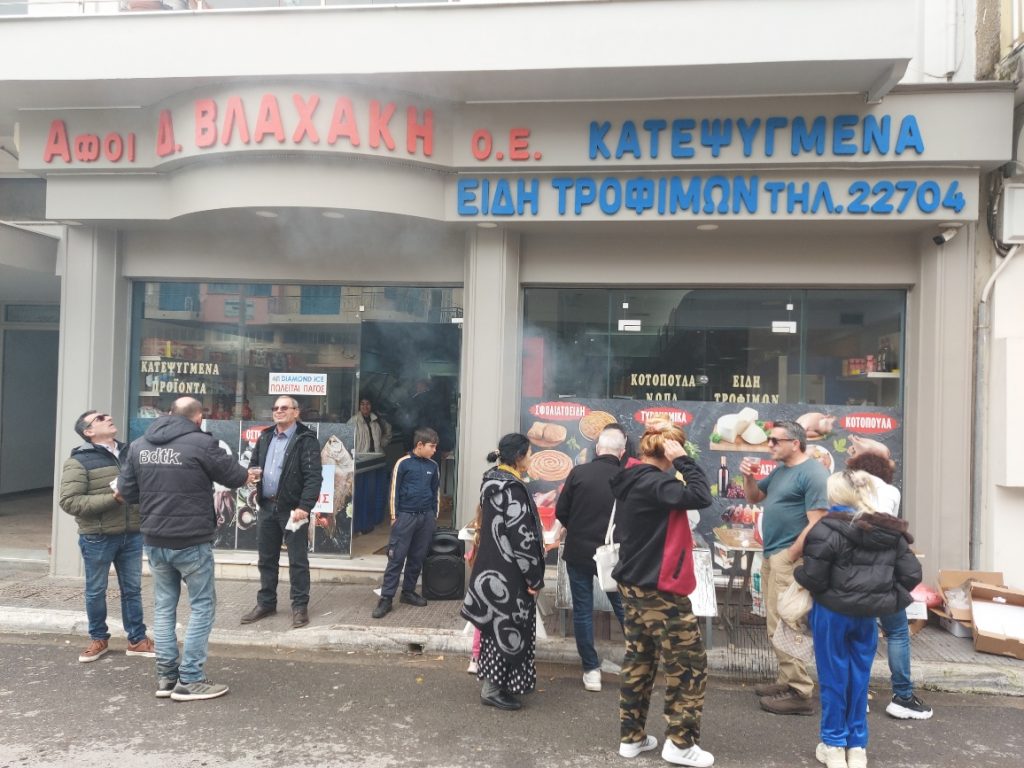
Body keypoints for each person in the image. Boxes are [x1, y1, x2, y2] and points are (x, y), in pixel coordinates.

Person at [118, 396, 254, 701]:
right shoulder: (200, 443)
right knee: (202, 606)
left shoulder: (139, 445)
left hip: (154, 539)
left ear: (169, 413)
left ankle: (167, 677)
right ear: (198, 418)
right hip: (191, 539)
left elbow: (127, 492)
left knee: (164, 607)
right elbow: (234, 476)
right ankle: (190, 679)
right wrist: (247, 475)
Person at [794, 470, 922, 768]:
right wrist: (886, 598)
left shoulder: (825, 528)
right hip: (866, 617)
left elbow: (813, 578)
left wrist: (799, 573)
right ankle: (857, 748)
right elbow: (912, 574)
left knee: (833, 679)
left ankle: (834, 745)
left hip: (831, 614)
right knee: (859, 680)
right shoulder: (888, 530)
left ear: (834, 494)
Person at [609, 420, 715, 767]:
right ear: (669, 451)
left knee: (640, 658)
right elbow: (701, 495)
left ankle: (631, 738)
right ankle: (680, 744)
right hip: (659, 588)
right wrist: (683, 459)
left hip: (634, 582)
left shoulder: (633, 477)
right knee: (689, 664)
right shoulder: (657, 483)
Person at [740, 419, 829, 716]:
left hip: (788, 557)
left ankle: (800, 692)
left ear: (795, 443)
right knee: (775, 621)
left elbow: (818, 521)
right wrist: (749, 477)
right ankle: (786, 681)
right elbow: (754, 497)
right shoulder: (781, 471)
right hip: (773, 554)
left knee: (786, 624)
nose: (769, 445)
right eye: (769, 440)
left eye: (775, 440)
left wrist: (791, 553)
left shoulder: (813, 473)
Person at [58, 410, 154, 663]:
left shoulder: (130, 452)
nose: (108, 417)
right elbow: (69, 502)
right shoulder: (78, 461)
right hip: (97, 536)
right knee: (96, 590)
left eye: (108, 415)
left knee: (132, 589)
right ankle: (98, 638)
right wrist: (113, 499)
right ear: (88, 431)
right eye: (100, 418)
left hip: (132, 533)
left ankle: (137, 639)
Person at [461, 433, 545, 711]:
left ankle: (498, 684)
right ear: (519, 457)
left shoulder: (493, 481)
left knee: (494, 628)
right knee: (507, 629)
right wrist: (533, 577)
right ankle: (493, 690)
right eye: (529, 453)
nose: (531, 458)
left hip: (492, 567)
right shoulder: (513, 489)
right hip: (510, 574)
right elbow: (522, 539)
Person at [846, 452, 932, 721]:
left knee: (860, 634)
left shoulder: (847, 494)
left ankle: (857, 696)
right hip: (886, 577)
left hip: (854, 577)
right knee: (896, 632)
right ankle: (902, 697)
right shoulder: (891, 492)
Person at [241, 395, 323, 630]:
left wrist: (304, 507)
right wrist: (251, 475)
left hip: (293, 510)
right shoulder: (266, 436)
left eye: (284, 408)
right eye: (275, 407)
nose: (278, 411)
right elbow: (254, 464)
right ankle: (266, 603)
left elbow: (314, 477)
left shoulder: (305, 439)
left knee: (298, 560)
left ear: (296, 412)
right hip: (267, 506)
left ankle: (299, 606)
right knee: (266, 559)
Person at [555, 426, 627, 692]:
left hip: (579, 552)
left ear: (597, 449)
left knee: (583, 611)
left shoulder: (579, 473)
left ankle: (591, 671)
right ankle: (640, 665)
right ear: (622, 452)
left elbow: (562, 511)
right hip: (614, 556)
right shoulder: (627, 478)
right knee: (624, 608)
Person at [371, 427, 441, 619]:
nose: (434, 450)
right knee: (396, 558)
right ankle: (386, 598)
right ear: (420, 445)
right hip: (405, 517)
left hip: (425, 517)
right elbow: (393, 490)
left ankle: (408, 592)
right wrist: (395, 517)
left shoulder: (433, 466)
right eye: (432, 446)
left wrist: (433, 515)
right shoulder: (403, 463)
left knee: (417, 557)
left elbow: (435, 491)